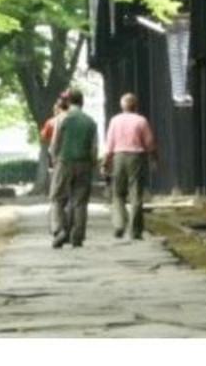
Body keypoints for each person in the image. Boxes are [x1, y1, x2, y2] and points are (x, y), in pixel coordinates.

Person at [102, 91, 159, 240]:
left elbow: (109, 144)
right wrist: (153, 159)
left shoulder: (114, 120)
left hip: (119, 157)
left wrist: (105, 162)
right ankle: (135, 231)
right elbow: (150, 143)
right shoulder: (141, 121)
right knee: (136, 194)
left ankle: (120, 224)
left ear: (122, 106)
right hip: (136, 157)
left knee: (118, 193)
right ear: (136, 106)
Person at [49, 88, 99, 248]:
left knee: (57, 198)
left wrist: (55, 159)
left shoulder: (62, 118)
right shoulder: (90, 121)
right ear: (81, 101)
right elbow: (94, 147)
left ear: (68, 102)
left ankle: (59, 229)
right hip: (84, 163)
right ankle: (77, 236)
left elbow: (55, 143)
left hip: (64, 162)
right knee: (80, 201)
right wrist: (92, 163)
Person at [40, 92, 70, 239]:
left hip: (58, 162)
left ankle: (58, 228)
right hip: (76, 160)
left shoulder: (52, 122)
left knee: (56, 195)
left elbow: (44, 137)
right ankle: (70, 226)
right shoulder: (75, 120)